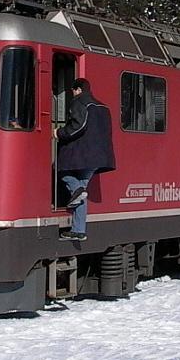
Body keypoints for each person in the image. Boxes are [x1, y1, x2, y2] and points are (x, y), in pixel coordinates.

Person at [53, 78, 115, 241]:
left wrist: (59, 133)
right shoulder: (103, 107)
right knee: (80, 191)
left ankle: (77, 192)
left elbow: (78, 125)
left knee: (62, 173)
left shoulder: (80, 102)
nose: (72, 93)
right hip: (99, 157)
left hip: (80, 155)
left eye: (73, 91)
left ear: (78, 89)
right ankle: (79, 230)